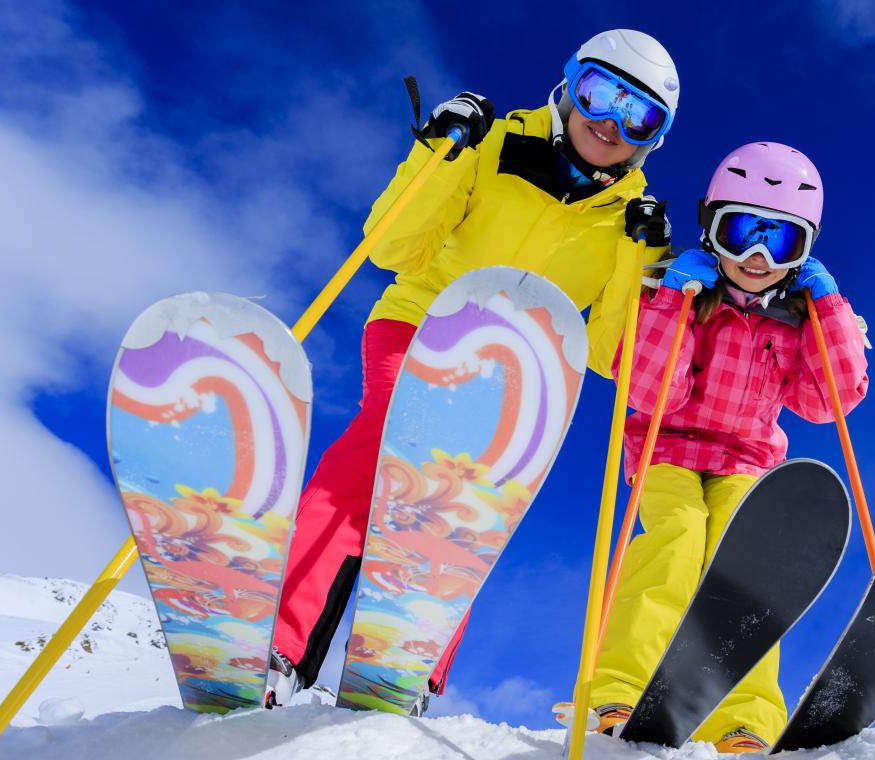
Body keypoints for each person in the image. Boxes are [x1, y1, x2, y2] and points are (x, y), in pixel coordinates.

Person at [265, 29, 680, 709]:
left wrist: (642, 261)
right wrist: (442, 150)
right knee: (380, 453)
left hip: (520, 372)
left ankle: (406, 666)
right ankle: (281, 642)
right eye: (601, 94)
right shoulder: (492, 144)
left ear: (652, 137)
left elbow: (608, 356)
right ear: (571, 85)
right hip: (424, 325)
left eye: (639, 116)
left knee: (467, 500)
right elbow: (394, 246)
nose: (610, 124)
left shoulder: (629, 222)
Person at [585, 143, 869, 753]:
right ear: (711, 226)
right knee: (677, 542)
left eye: (782, 241)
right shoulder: (687, 294)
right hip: (669, 449)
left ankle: (744, 716)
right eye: (741, 231)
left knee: (748, 568)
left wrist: (829, 307)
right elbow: (650, 388)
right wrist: (674, 302)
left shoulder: (798, 319)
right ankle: (621, 688)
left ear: (805, 253)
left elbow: (829, 402)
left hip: (748, 460)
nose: (758, 256)